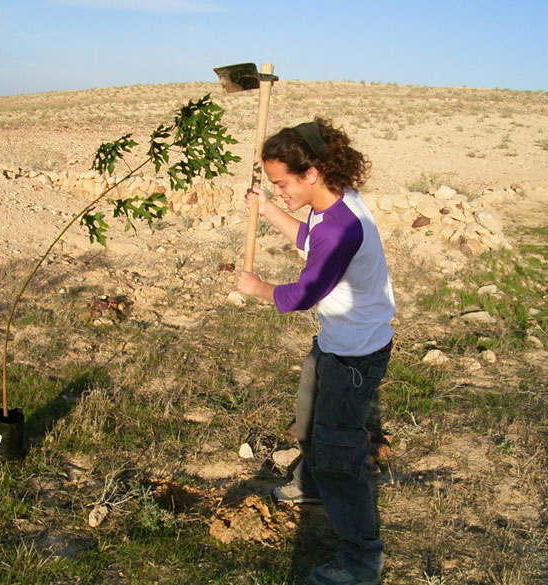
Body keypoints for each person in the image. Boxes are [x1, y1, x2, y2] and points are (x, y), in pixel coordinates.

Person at [237, 118, 395, 585]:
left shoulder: (342, 227)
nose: (279, 192)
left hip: (355, 358)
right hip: (335, 342)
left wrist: (258, 287)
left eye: (281, 184)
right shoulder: (335, 204)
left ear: (311, 174)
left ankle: (361, 558)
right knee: (308, 423)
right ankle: (311, 484)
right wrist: (267, 210)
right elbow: (312, 242)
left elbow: (302, 294)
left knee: (339, 452)